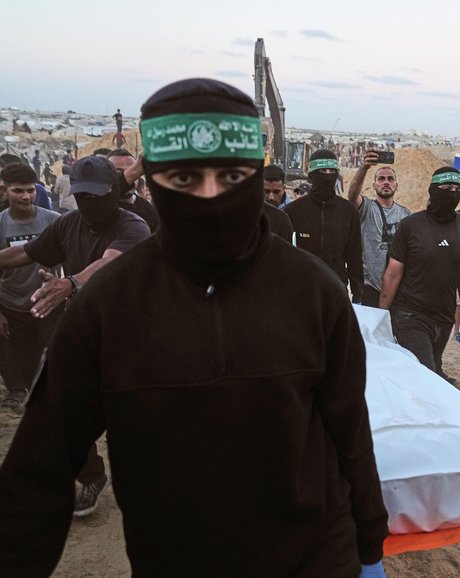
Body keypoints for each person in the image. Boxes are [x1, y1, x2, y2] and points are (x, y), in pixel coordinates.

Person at [0, 78, 388, 577]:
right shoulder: (108, 306)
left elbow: (350, 430)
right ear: (152, 183)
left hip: (313, 556)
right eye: (184, 179)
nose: (209, 197)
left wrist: (370, 546)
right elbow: (40, 467)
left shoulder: (314, 292)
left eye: (229, 177)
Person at [0, 155, 150, 517]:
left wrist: (71, 283)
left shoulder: (134, 227)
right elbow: (24, 253)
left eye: (97, 196)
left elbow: (108, 263)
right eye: (83, 197)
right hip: (85, 334)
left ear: (114, 191)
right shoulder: (68, 224)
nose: (90, 204)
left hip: (133, 339)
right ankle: (91, 475)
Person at [379, 167, 460, 381]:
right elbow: (393, 274)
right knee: (426, 376)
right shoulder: (411, 225)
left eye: (457, 188)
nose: (452, 192)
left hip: (444, 317)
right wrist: (382, 315)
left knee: (427, 370)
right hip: (410, 314)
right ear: (433, 190)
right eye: (446, 187)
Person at [0, 164, 60, 412]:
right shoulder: (1, 223)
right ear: (6, 191)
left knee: (50, 351)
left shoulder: (54, 221)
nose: (25, 196)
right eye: (18, 191)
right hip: (11, 301)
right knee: (12, 352)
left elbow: (69, 259)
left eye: (30, 190)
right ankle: (16, 391)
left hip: (48, 300)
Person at [285, 149, 364, 303]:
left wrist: (357, 294)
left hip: (336, 290)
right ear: (312, 175)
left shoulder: (348, 211)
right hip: (301, 291)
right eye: (322, 171)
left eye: (331, 171)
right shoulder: (293, 211)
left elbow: (354, 255)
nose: (327, 176)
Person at [348, 149, 412, 307]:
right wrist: (364, 167)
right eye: (381, 179)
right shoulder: (367, 208)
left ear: (396, 185)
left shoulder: (406, 214)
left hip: (397, 287)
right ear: (374, 185)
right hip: (370, 285)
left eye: (390, 179)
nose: (386, 182)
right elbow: (352, 195)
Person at [107, 148, 160, 232]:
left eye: (130, 169)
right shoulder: (104, 206)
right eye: (118, 172)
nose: (131, 178)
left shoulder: (147, 208)